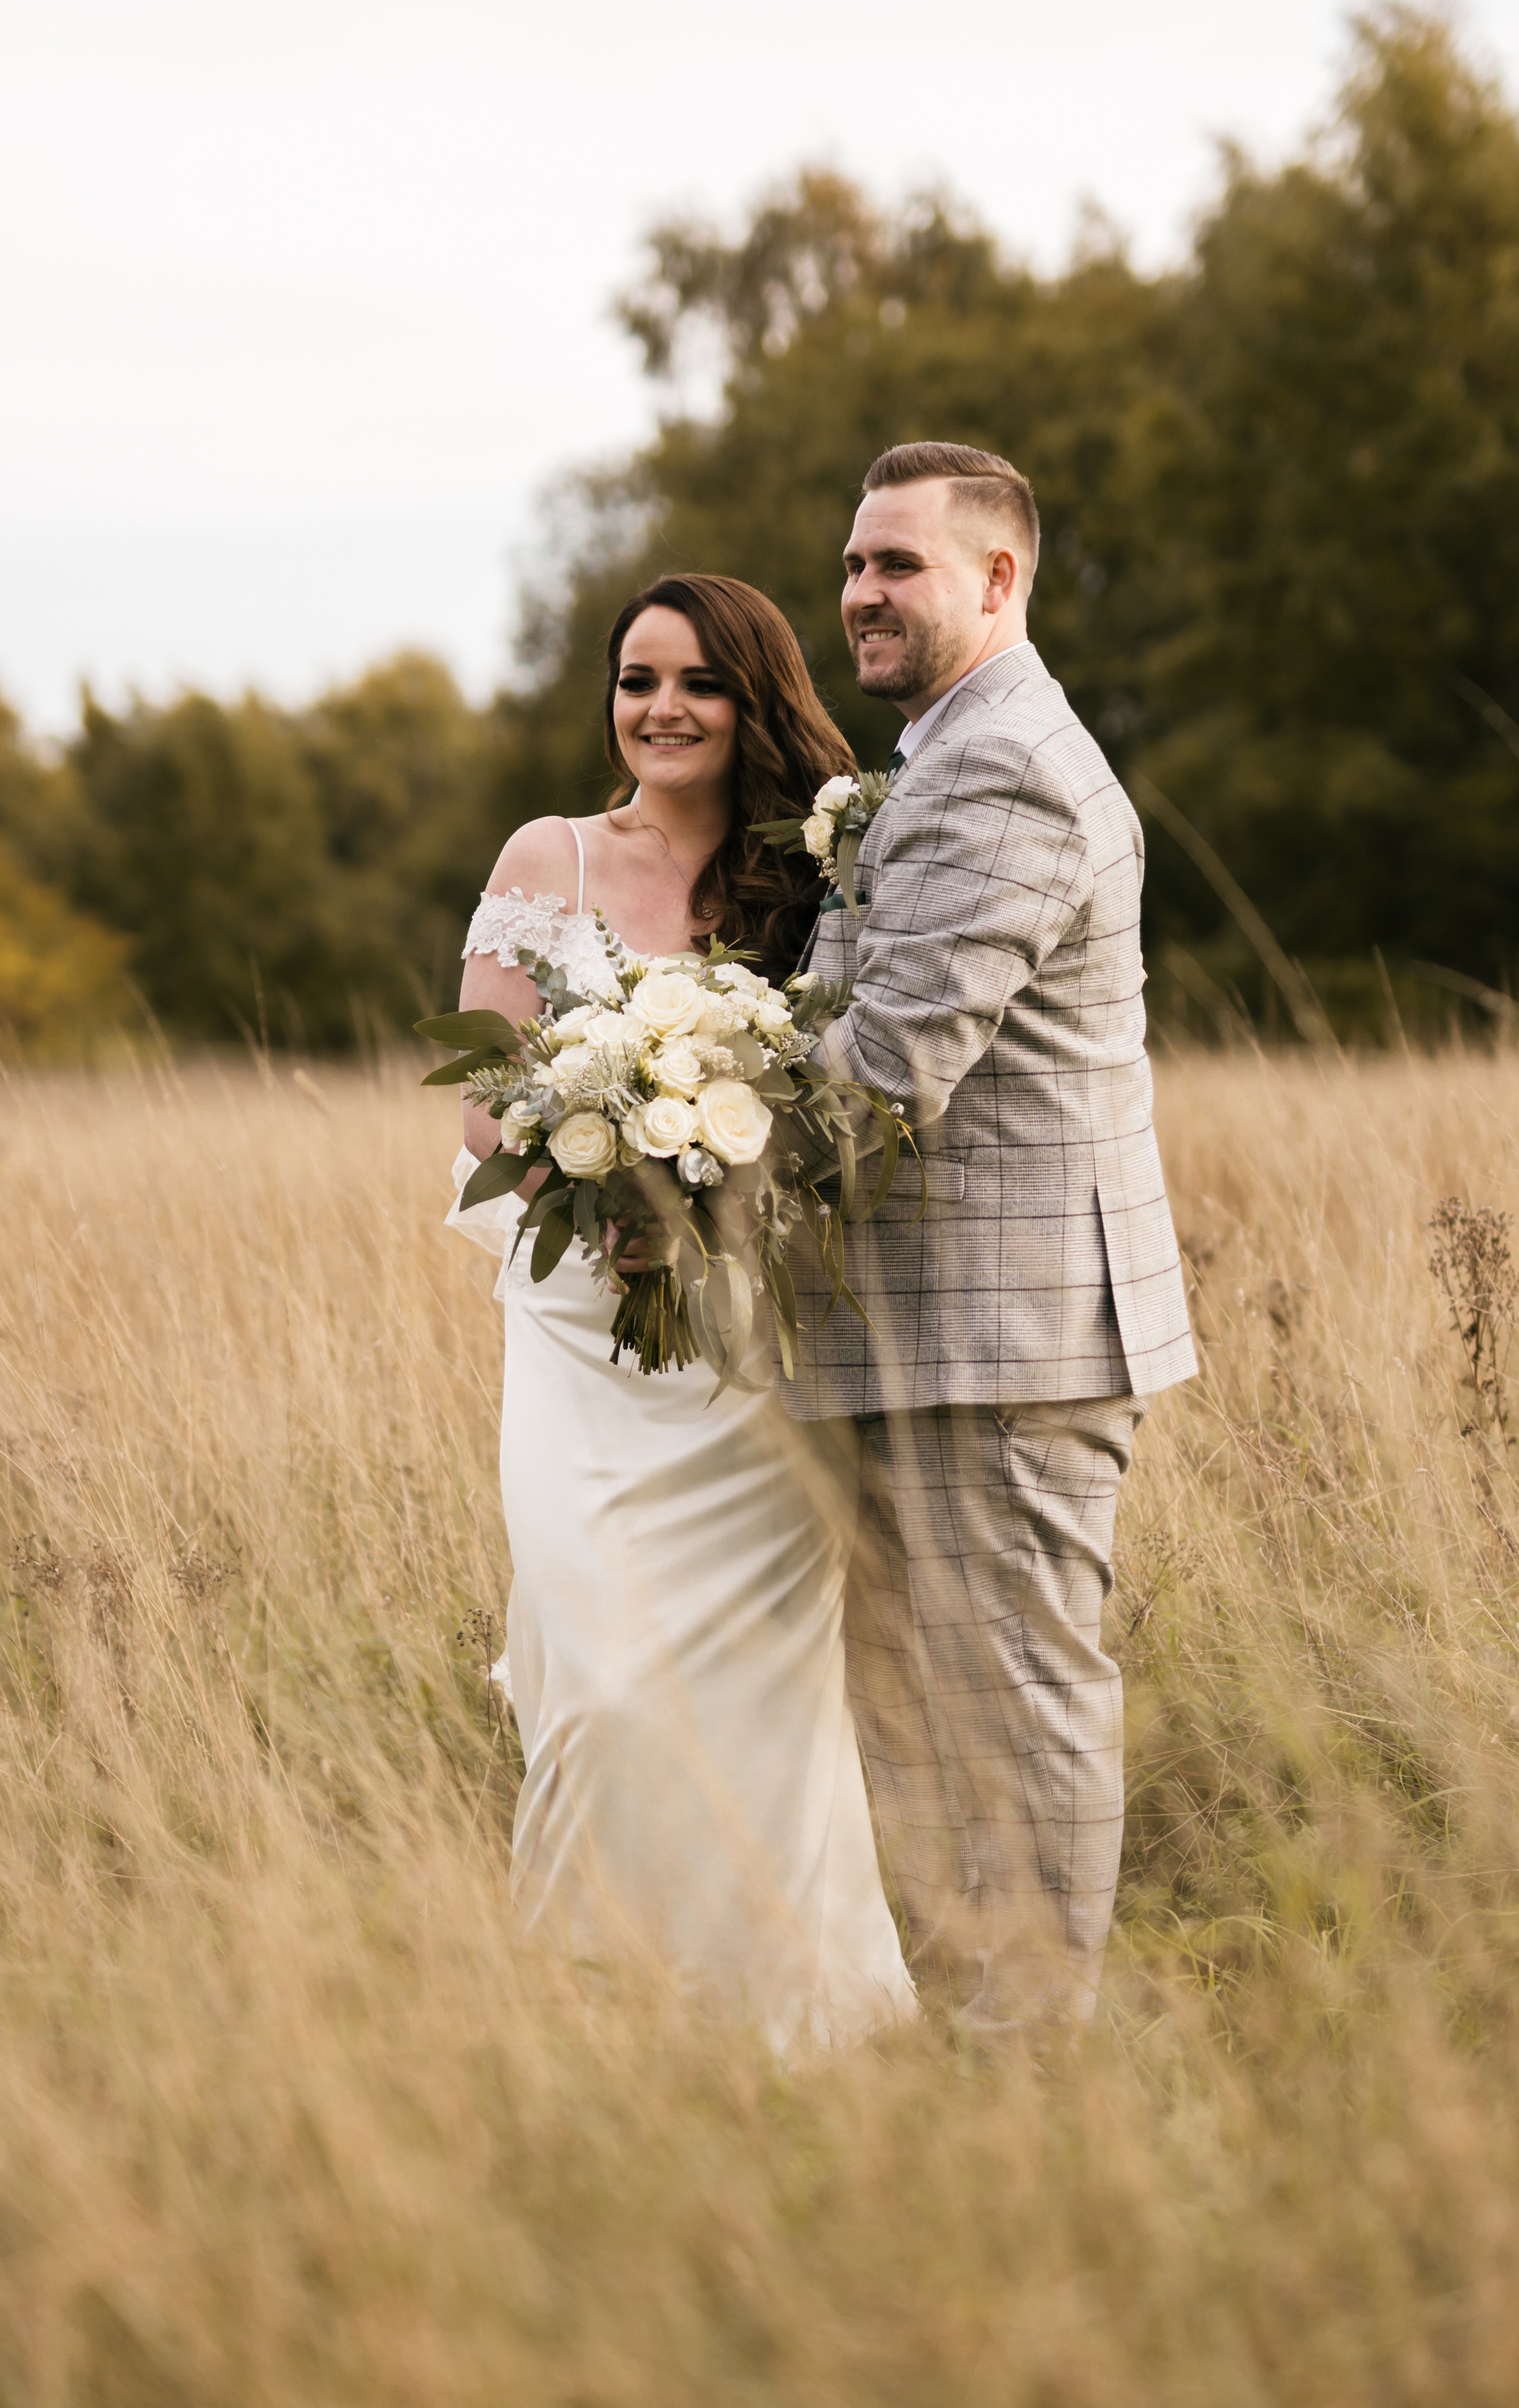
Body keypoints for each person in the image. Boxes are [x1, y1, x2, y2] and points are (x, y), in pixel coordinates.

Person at [446, 573, 914, 2047]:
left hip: (749, 1344)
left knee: (760, 1703)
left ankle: (791, 2024)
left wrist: (719, 1200)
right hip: (582, 1332)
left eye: (696, 683)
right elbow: (479, 1106)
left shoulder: (818, 879)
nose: (659, 709)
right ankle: (596, 2017)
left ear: (749, 700)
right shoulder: (551, 856)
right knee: (600, 1685)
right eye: (636, 679)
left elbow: (860, 1105)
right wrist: (617, 1151)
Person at [782, 442, 1198, 2033]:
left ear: (997, 579)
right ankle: (974, 2040)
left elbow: (887, 1070)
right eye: (852, 563)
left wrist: (669, 1153)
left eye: (897, 564)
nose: (860, 593)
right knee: (929, 1726)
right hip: (932, 1330)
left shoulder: (1005, 760)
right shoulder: (939, 755)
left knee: (1016, 1719)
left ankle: (1028, 2061)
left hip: (1007, 1336)